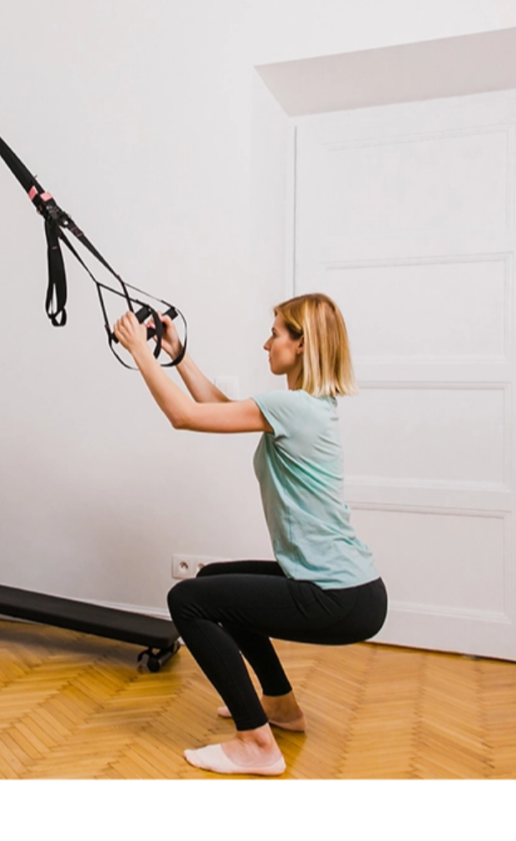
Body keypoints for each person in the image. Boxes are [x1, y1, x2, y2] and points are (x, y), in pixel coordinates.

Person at [112, 293, 387, 776]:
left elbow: (185, 416)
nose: (267, 344)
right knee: (215, 580)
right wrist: (176, 355)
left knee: (189, 601)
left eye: (277, 333)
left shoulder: (294, 407)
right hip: (351, 590)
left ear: (302, 345)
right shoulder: (302, 407)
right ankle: (280, 706)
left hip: (338, 596)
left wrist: (140, 351)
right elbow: (220, 407)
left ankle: (256, 744)